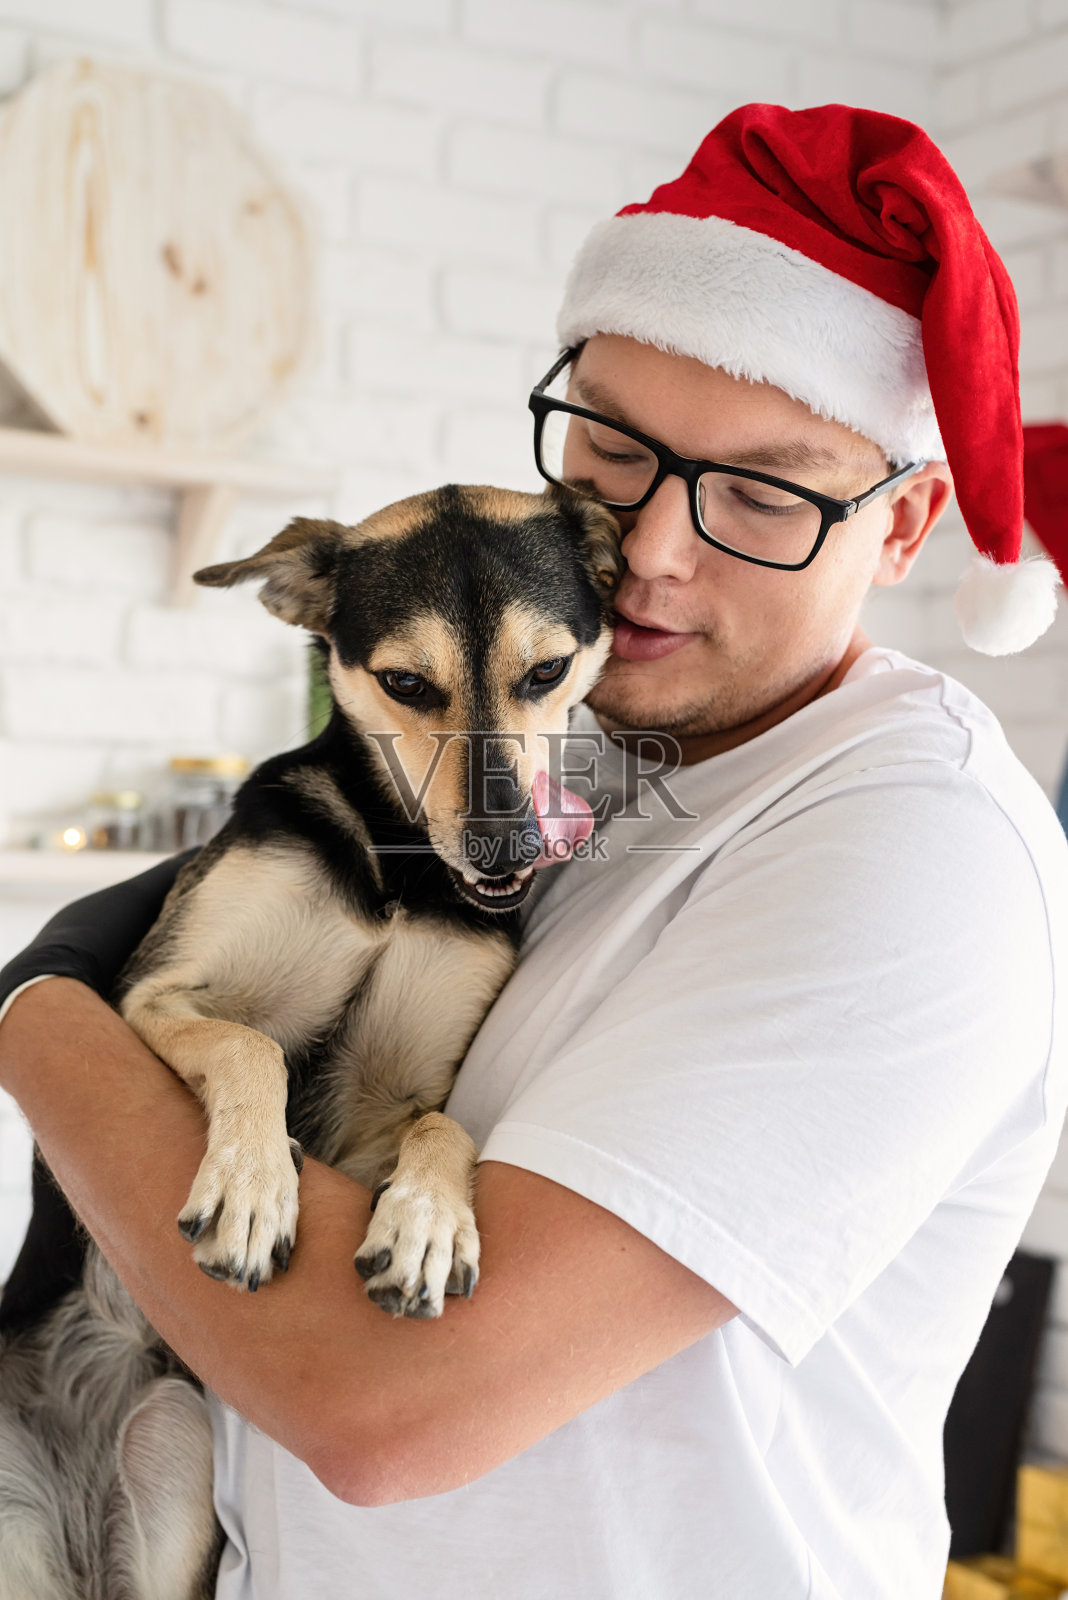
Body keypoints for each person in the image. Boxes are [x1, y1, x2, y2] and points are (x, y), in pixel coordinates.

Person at [1, 102, 1067, 1600]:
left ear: (906, 530)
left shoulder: (914, 854)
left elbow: (385, 1408)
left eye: (763, 490)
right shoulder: (607, 756)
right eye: (613, 453)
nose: (648, 550)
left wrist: (43, 1008)